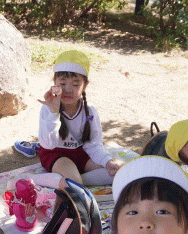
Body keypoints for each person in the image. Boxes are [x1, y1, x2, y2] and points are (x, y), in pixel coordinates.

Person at [34, 50, 122, 190]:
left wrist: (107, 161)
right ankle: (33, 179)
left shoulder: (89, 110)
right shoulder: (48, 107)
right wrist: (54, 113)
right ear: (54, 83)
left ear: (85, 85)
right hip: (56, 154)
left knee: (118, 171)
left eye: (75, 85)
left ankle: (69, 181)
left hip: (80, 153)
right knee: (75, 181)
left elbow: (93, 145)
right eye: (62, 83)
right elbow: (48, 144)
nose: (68, 89)